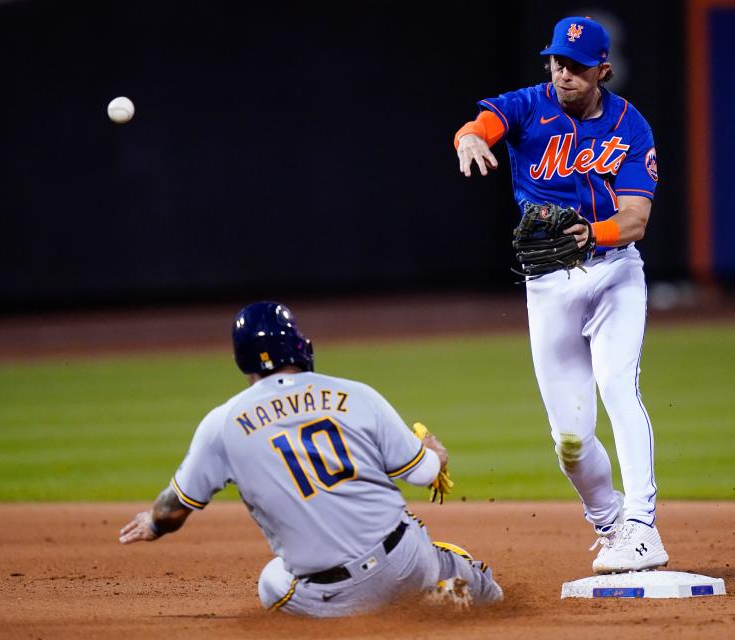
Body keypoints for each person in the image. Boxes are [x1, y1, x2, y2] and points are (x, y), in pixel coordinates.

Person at [119, 301, 502, 616]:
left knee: (272, 580)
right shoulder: (356, 395)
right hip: (405, 562)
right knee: (476, 579)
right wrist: (434, 450)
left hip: (331, 599)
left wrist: (152, 523)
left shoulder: (221, 424)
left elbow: (172, 511)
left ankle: (360, 620)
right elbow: (423, 474)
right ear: (297, 345)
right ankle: (448, 597)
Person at [453, 16, 668, 573]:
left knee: (618, 385)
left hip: (614, 271)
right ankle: (611, 522)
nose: (562, 73)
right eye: (555, 61)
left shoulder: (630, 126)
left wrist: (592, 234)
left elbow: (637, 219)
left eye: (574, 65)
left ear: (603, 68)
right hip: (549, 285)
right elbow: (484, 123)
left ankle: (644, 529)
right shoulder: (529, 104)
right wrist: (470, 136)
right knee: (570, 441)